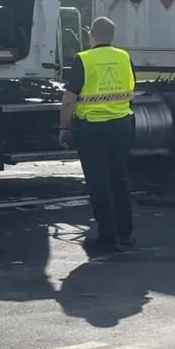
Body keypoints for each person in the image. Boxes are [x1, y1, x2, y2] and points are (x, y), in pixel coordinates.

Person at [59, 16, 136, 252]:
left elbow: (69, 99)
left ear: (91, 34)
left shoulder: (84, 59)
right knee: (119, 179)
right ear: (112, 35)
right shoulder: (123, 56)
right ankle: (125, 233)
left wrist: (64, 128)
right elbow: (130, 87)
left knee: (99, 182)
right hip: (121, 124)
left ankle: (107, 236)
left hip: (93, 128)